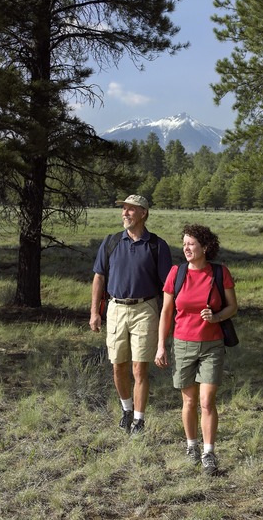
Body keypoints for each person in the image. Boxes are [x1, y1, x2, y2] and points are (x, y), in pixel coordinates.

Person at [155, 223, 238, 475]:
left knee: (206, 401)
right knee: (189, 401)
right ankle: (192, 446)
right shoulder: (176, 273)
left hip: (212, 345)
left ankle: (208, 452)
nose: (186, 248)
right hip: (182, 344)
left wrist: (216, 317)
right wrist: (161, 346)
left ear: (205, 247)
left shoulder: (219, 272)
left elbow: (232, 307)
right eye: (184, 243)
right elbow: (166, 312)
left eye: (191, 243)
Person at [89, 194, 172, 434]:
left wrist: (171, 317)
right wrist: (95, 312)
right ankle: (126, 408)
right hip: (115, 309)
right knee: (118, 366)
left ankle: (139, 420)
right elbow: (99, 278)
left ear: (143, 213)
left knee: (139, 369)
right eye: (123, 209)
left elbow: (168, 287)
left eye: (130, 209)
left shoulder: (157, 245)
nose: (125, 213)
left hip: (146, 310)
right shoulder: (111, 242)